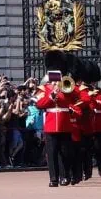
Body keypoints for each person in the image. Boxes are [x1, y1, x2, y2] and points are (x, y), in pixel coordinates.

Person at [35, 52, 81, 187]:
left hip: (64, 124)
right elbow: (40, 104)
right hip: (50, 125)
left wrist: (63, 88)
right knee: (52, 152)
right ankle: (53, 179)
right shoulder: (43, 89)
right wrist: (52, 95)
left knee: (65, 153)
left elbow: (75, 98)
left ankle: (64, 176)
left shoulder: (67, 88)